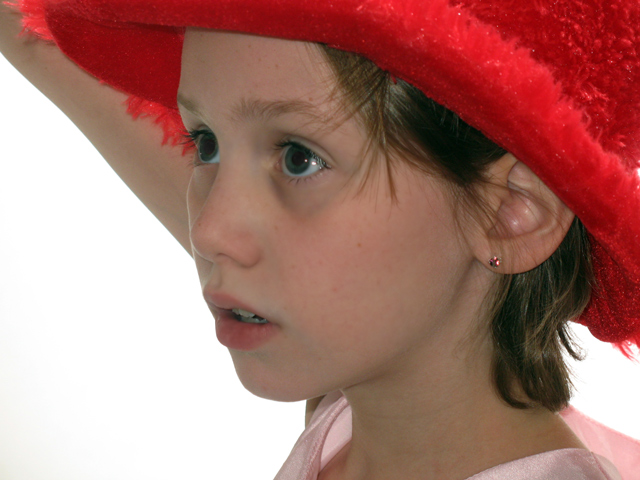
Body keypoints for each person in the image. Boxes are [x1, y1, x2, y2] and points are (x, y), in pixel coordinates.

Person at [1, 1, 639, 479]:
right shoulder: (360, 401)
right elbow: (31, 42)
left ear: (510, 212)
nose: (211, 231)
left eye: (299, 159)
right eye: (206, 144)